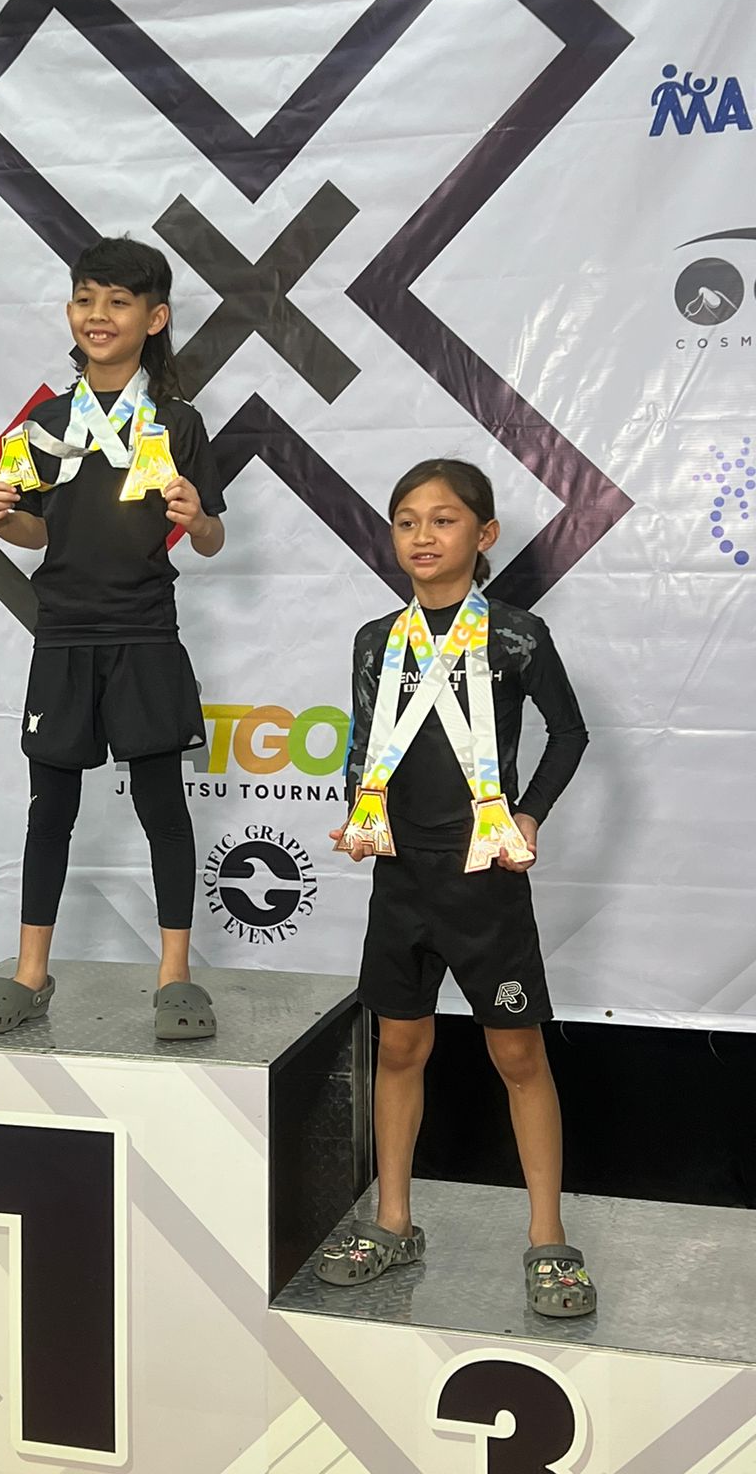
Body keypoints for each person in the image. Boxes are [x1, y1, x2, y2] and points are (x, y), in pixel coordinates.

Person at [317, 459, 595, 1318]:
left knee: (517, 1054)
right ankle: (394, 1220)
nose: (422, 538)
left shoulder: (514, 636)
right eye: (406, 521)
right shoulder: (376, 640)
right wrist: (359, 814)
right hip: (401, 880)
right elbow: (370, 745)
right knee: (399, 1049)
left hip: (483, 880)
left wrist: (532, 817)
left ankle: (547, 1238)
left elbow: (571, 732)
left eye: (442, 521)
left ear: (484, 537)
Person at [0, 236, 225, 1040]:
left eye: (117, 301)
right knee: (51, 806)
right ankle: (31, 974)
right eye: (85, 299)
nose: (98, 316)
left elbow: (211, 538)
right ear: (70, 312)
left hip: (144, 631)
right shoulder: (43, 421)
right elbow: (44, 534)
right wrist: (4, 519)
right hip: (64, 634)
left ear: (155, 317)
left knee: (160, 803)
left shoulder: (177, 422)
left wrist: (195, 515)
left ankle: (175, 976)